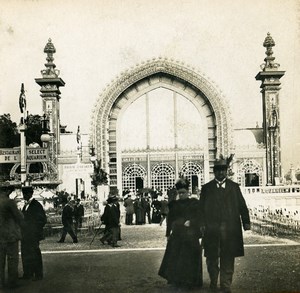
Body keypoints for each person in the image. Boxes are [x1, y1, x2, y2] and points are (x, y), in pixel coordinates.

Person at [200, 156, 251, 293]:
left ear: (227, 171)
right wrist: (201, 225)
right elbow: (200, 210)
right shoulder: (206, 189)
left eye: (223, 170)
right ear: (214, 172)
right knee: (211, 258)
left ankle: (225, 284)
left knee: (228, 258)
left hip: (230, 230)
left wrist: (246, 223)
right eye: (218, 170)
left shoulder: (234, 188)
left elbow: (242, 205)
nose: (221, 173)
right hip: (212, 230)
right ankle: (213, 280)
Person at [158, 178, 203, 289]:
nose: (181, 195)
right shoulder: (174, 205)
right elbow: (170, 219)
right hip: (177, 235)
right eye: (179, 193)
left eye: (183, 193)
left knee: (190, 257)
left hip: (191, 234)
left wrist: (192, 221)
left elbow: (200, 217)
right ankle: (177, 279)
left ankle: (191, 280)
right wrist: (168, 234)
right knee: (176, 256)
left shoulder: (194, 203)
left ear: (188, 192)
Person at [20, 185, 47, 281]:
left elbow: (43, 219)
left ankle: (38, 274)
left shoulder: (36, 205)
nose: (24, 196)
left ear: (30, 194)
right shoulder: (26, 205)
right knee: (26, 253)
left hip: (33, 234)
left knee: (34, 254)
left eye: (26, 194)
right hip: (25, 234)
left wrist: (34, 229)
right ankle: (28, 273)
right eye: (23, 194)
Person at [0, 183, 23, 289]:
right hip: (10, 235)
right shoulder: (9, 202)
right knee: (12, 260)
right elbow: (19, 217)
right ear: (7, 191)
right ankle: (12, 282)